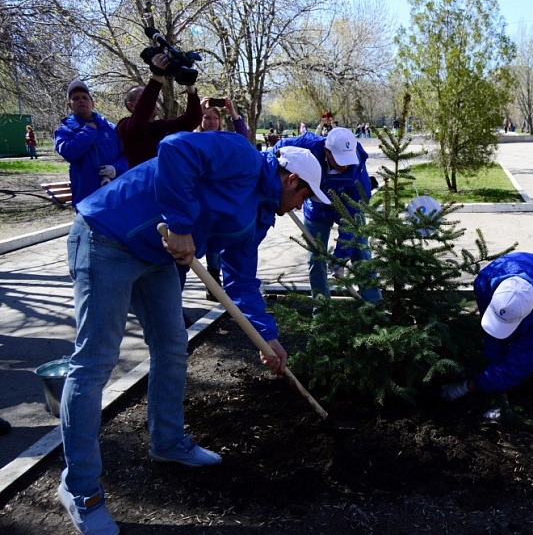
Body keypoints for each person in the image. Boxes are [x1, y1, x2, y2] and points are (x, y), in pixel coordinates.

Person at [57, 131, 329, 535]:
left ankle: (166, 442)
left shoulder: (256, 216)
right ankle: (79, 488)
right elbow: (173, 148)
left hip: (155, 258)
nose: (302, 206)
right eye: (305, 196)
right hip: (107, 237)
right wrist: (182, 223)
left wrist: (267, 337)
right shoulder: (241, 157)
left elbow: (241, 280)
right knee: (95, 361)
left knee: (172, 348)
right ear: (291, 180)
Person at [441, 252, 533, 413]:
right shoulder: (485, 282)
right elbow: (493, 338)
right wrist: (494, 377)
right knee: (507, 338)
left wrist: (467, 386)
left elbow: (522, 359)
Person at [274, 127, 381, 303]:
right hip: (316, 210)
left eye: (347, 159)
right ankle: (322, 308)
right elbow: (279, 147)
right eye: (339, 159)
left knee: (361, 253)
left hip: (348, 209)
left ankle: (374, 305)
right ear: (326, 150)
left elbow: (353, 219)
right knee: (316, 259)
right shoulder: (306, 146)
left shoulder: (358, 174)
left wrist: (340, 257)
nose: (344, 165)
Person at [197, 97, 250, 301]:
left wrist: (233, 112)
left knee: (217, 240)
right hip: (200, 197)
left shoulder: (223, 138)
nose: (211, 121)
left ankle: (215, 282)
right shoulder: (195, 138)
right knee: (204, 241)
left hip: (220, 196)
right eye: (207, 117)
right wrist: (198, 109)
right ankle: (210, 279)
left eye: (215, 118)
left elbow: (242, 136)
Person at [116, 52, 201, 168]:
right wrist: (157, 76)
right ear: (131, 106)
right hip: (145, 184)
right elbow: (141, 114)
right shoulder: (125, 127)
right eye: (143, 96)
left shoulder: (162, 126)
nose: (153, 100)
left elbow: (193, 119)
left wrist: (190, 86)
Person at [54, 80, 129, 206]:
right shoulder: (64, 131)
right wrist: (88, 131)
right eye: (76, 98)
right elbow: (69, 153)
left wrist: (116, 169)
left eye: (85, 97)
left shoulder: (110, 128)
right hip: (86, 198)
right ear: (69, 105)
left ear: (92, 103)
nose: (81, 101)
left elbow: (127, 156)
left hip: (115, 193)